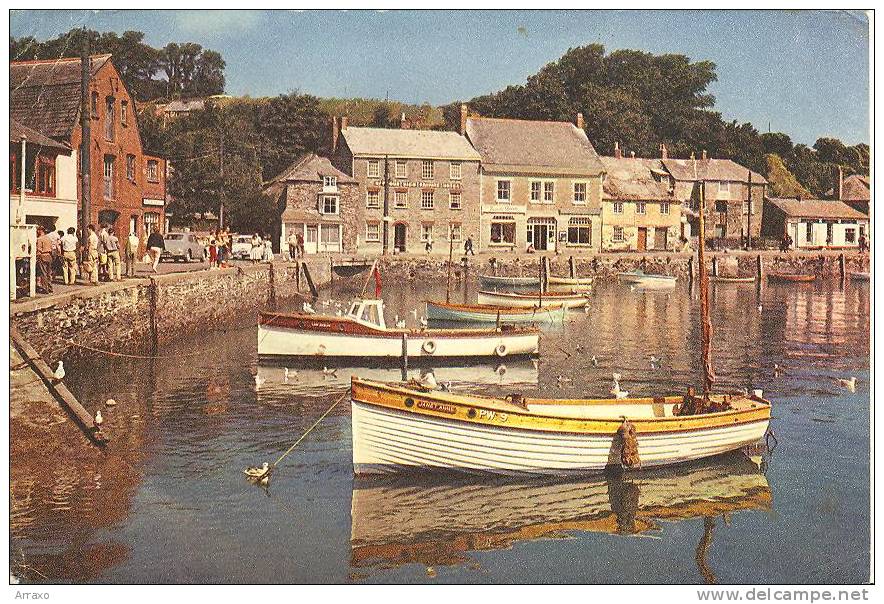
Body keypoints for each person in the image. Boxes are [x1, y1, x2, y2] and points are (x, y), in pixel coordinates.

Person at [35, 227, 55, 293]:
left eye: (38, 230)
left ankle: (45, 289)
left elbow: (39, 250)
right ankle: (50, 288)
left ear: (40, 231)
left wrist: (36, 257)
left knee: (43, 273)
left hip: (43, 256)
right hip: (49, 256)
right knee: (49, 273)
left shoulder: (39, 239)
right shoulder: (48, 238)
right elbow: (52, 248)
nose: (37, 231)